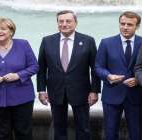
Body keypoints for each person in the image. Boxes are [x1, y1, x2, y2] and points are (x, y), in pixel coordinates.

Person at [37, 10, 101, 140]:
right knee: (58, 127)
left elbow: (95, 69)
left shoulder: (88, 41)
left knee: (83, 127)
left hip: (81, 91)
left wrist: (94, 91)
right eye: (61, 21)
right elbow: (41, 69)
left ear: (75, 23)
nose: (64, 24)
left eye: (68, 21)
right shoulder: (47, 41)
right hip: (55, 90)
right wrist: (41, 90)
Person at [95, 11, 142, 140]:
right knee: (110, 134)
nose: (125, 27)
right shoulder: (106, 43)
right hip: (112, 95)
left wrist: (139, 79)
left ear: (137, 26)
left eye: (129, 24)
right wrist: (108, 76)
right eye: (122, 24)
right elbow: (98, 67)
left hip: (136, 96)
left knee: (136, 133)